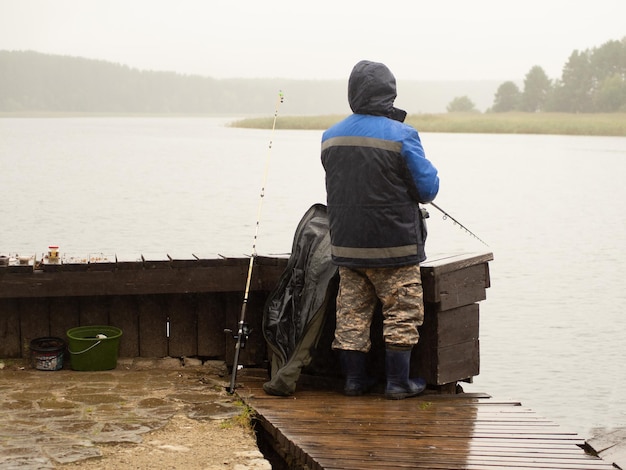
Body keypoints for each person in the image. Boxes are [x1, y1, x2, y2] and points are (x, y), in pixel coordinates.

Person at [320, 60, 439, 400]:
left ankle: (355, 382)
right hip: (395, 248)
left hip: (348, 247)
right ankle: (398, 383)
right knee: (402, 313)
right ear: (389, 93)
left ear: (353, 92)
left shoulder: (330, 137)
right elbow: (427, 189)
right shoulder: (403, 135)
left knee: (352, 316)